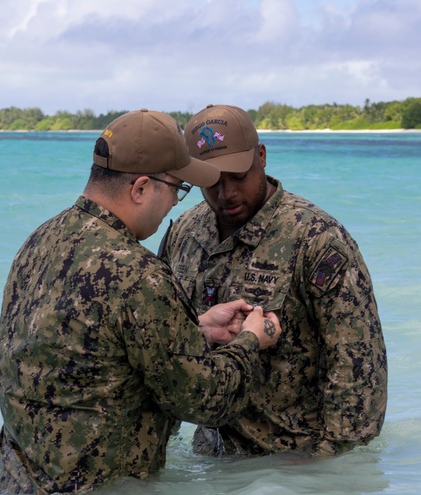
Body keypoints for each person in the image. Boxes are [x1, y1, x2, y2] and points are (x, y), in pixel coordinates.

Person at [0, 108, 282, 495]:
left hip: (16, 490)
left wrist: (194, 330)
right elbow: (208, 401)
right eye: (177, 187)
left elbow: (86, 350)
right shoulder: (138, 275)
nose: (176, 202)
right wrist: (251, 341)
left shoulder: (40, 241)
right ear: (140, 188)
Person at [158, 104, 387, 458]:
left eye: (238, 176)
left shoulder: (316, 239)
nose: (226, 193)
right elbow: (164, 346)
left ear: (261, 157)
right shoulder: (185, 234)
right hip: (210, 453)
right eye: (212, 182)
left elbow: (358, 364)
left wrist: (330, 469)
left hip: (295, 463)